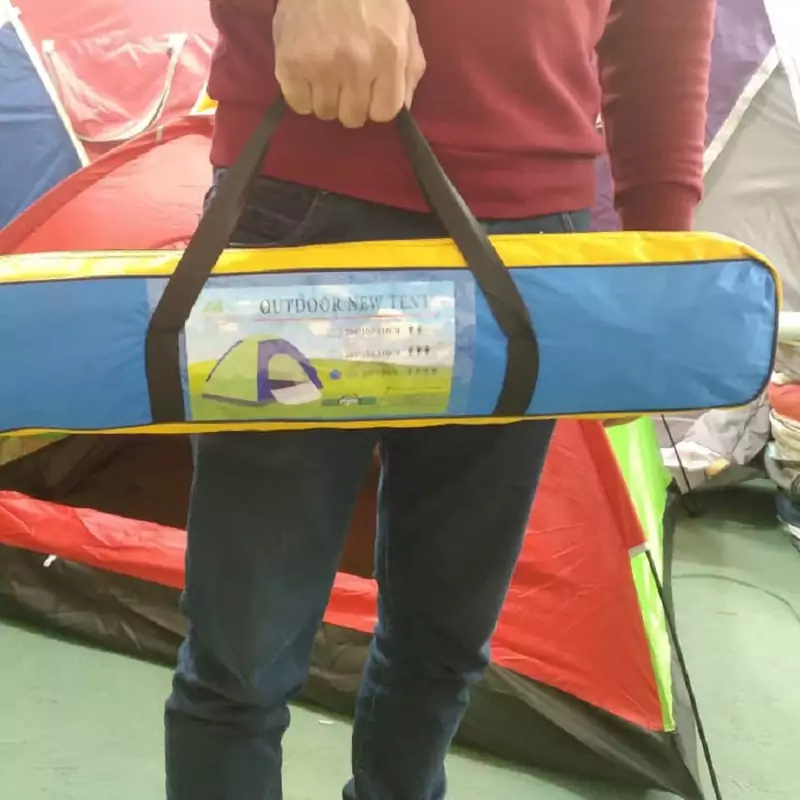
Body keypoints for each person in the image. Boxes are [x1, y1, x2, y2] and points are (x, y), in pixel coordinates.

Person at [165, 0, 715, 797]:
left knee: (443, 648)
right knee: (241, 660)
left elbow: (665, 17)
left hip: (528, 230)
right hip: (308, 189)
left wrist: (660, 252)